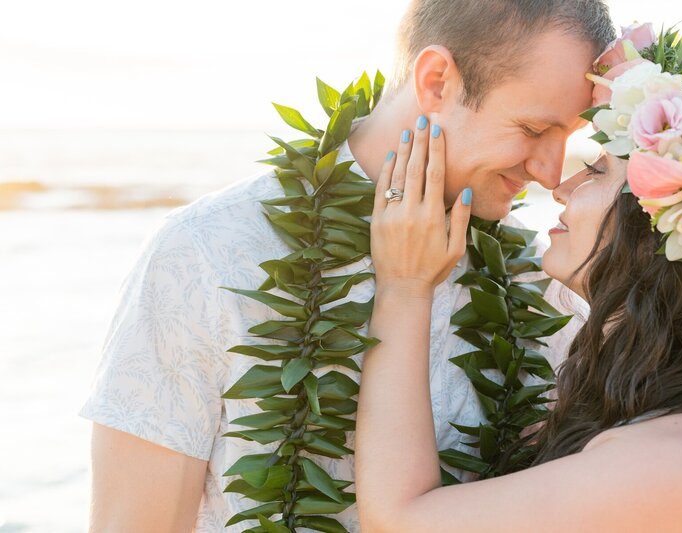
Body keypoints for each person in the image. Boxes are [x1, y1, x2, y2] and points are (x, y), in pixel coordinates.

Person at [78, 1, 616, 531]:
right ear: (435, 82)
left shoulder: (541, 282)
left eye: (568, 139)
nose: (550, 173)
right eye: (531, 129)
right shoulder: (207, 253)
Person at [356, 27, 682, 532]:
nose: (559, 186)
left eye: (595, 170)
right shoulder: (651, 407)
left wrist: (405, 288)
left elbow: (397, 523)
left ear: (666, 227)